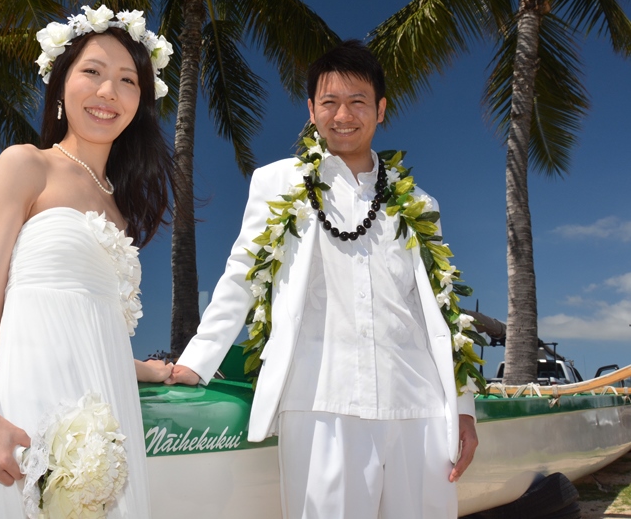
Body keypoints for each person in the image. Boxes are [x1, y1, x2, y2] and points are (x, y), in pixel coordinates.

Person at [167, 40, 479, 518]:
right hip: (319, 398)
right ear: (312, 110)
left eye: (358, 102)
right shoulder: (280, 182)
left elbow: (439, 310)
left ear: (380, 109)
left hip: (416, 403)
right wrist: (197, 361)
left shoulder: (420, 203)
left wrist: (463, 408)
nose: (343, 115)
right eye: (329, 102)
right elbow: (241, 275)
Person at [0, 6, 175, 518]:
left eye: (127, 81)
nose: (108, 93)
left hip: (109, 412)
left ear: (140, 101)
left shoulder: (120, 208)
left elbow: (92, 323)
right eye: (92, 73)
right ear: (60, 85)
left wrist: (154, 371)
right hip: (33, 396)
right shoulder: (26, 165)